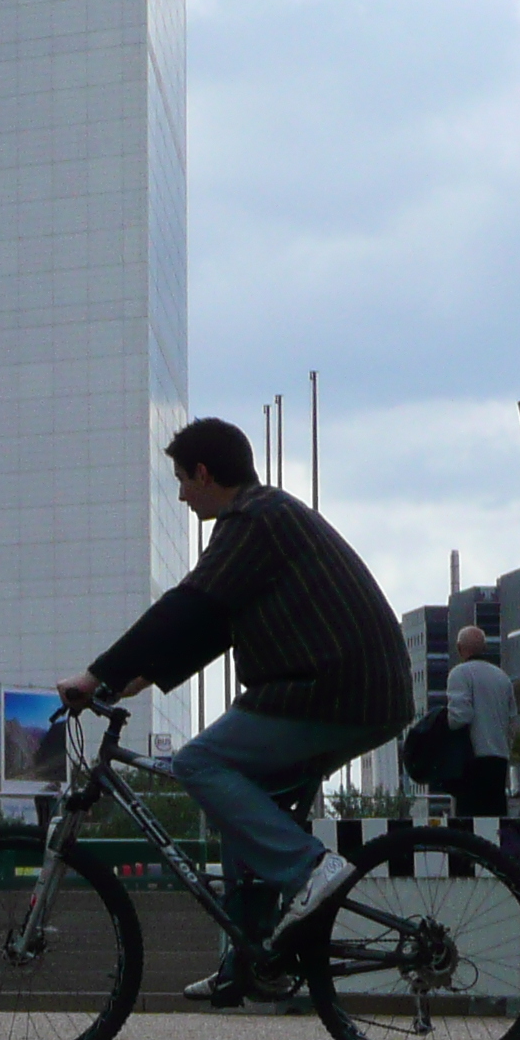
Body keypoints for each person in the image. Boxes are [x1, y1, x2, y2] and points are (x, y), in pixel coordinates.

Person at [60, 417, 412, 1003]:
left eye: (180, 479)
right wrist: (140, 677)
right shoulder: (267, 517)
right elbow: (217, 624)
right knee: (239, 796)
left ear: (203, 473)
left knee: (198, 764)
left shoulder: (252, 519)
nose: (178, 494)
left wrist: (99, 672)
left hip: (331, 689)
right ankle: (250, 962)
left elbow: (187, 604)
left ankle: (309, 870)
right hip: (359, 689)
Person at [443, 625, 516, 818]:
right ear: (484, 648)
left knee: (469, 824)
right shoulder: (502, 677)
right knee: (496, 820)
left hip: (472, 759)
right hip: (499, 758)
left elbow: (460, 717)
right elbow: (512, 721)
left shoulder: (460, 674)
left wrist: (441, 724)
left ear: (459, 648)